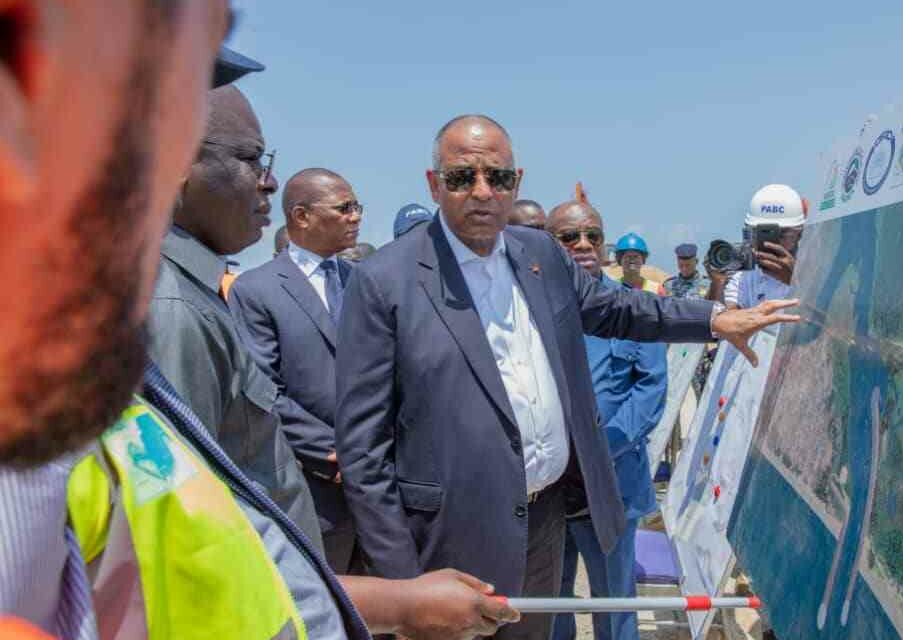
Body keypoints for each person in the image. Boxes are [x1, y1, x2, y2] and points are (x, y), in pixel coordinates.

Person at [0, 6, 516, 638]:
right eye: (249, 158)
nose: (266, 180)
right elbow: (188, 556)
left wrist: (394, 603)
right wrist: (398, 604)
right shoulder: (162, 314)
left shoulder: (127, 315)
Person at [334, 113, 799, 639]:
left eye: (499, 177)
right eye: (463, 177)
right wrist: (403, 588)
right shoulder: (383, 282)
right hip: (447, 543)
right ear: (434, 184)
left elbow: (620, 308)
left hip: (545, 524)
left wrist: (714, 319)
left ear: (517, 181)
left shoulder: (540, 255)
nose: (482, 192)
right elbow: (363, 450)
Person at [147, 85, 323, 548]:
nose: (269, 182)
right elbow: (186, 535)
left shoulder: (189, 290)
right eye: (251, 160)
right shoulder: (174, 310)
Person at [230, 167, 365, 572]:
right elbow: (262, 389)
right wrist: (330, 451)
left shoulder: (364, 282)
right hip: (312, 489)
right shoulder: (257, 290)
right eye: (344, 208)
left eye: (357, 206)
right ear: (302, 216)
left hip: (376, 491)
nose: (355, 216)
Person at [547, 203, 667, 640]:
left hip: (611, 484)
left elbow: (649, 392)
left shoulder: (635, 308)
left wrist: (597, 449)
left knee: (614, 600)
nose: (582, 245)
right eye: (568, 237)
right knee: (549, 599)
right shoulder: (528, 312)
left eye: (592, 236)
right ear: (548, 242)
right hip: (548, 488)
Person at [724, 184, 805, 309]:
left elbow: (831, 322)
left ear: (800, 234)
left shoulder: (817, 268)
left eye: (782, 234)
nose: (772, 243)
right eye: (763, 233)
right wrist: (718, 282)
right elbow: (730, 320)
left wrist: (792, 280)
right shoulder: (744, 277)